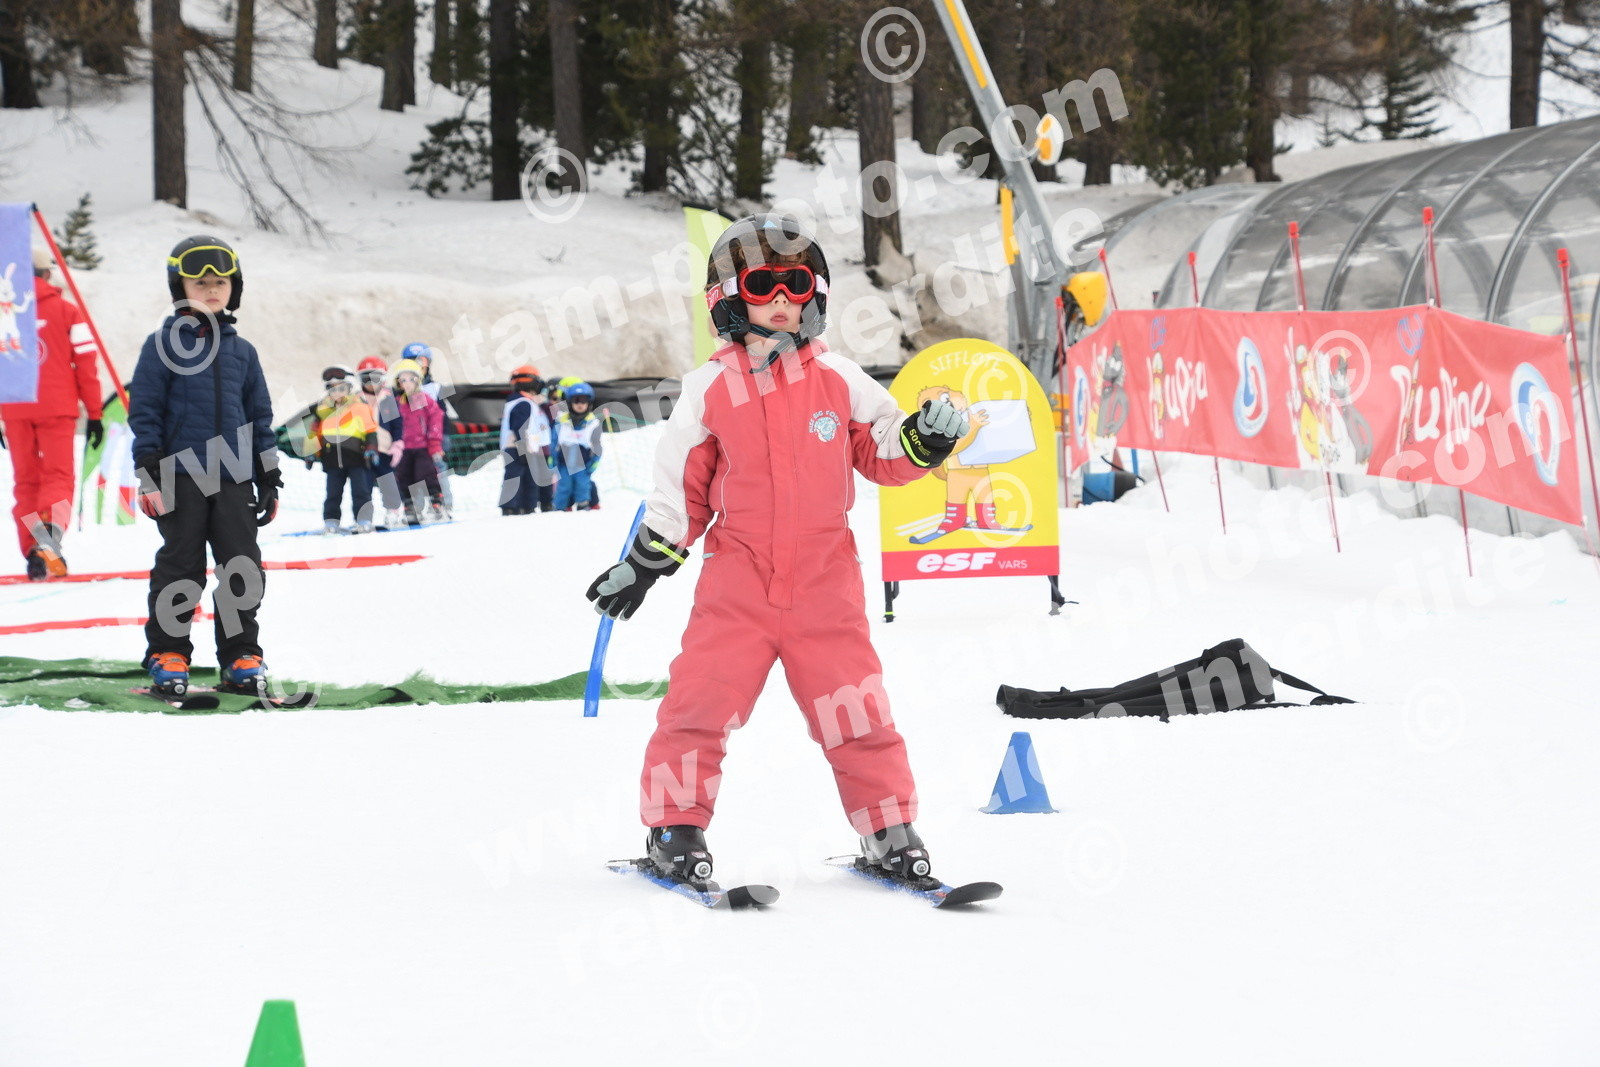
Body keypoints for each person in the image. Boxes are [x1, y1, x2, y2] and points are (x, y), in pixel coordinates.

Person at [584, 214, 969, 886]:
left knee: (856, 710)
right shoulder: (709, 390)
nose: (784, 299)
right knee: (698, 706)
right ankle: (675, 827)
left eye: (797, 284)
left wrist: (922, 441)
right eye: (765, 285)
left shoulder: (840, 379)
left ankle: (888, 828)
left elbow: (881, 449)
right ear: (730, 297)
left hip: (826, 588)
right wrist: (644, 564)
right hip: (739, 587)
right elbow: (682, 490)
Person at [130, 235, 280, 697]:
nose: (212, 290)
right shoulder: (161, 346)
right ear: (180, 287)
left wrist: (268, 475)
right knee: (181, 566)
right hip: (180, 477)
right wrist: (148, 470)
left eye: (221, 282)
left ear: (235, 288)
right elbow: (145, 412)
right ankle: (168, 652)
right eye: (201, 283)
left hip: (233, 478)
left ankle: (240, 655)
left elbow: (259, 417)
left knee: (242, 566)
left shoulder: (243, 352)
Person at [0, 245, 104, 579]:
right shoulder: (67, 311)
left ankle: (36, 549)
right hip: (57, 407)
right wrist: (95, 413)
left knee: (27, 480)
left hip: (14, 407)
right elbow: (86, 365)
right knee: (58, 476)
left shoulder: (4, 313)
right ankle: (50, 535)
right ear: (47, 274)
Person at [308, 365, 378, 533]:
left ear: (350, 388)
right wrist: (311, 452)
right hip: (332, 459)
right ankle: (331, 522)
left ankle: (363, 520)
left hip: (356, 458)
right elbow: (314, 434)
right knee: (333, 494)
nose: (337, 393)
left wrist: (371, 448)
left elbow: (370, 430)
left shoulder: (360, 407)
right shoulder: (323, 411)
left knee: (360, 492)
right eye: (332, 389)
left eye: (341, 388)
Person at [389, 357, 447, 524]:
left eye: (411, 379)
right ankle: (410, 507)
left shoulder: (423, 399)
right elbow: (391, 425)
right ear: (398, 383)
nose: (407, 383)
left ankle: (437, 503)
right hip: (403, 448)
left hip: (422, 446)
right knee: (404, 476)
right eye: (403, 380)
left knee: (426, 474)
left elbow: (435, 419)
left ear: (417, 380)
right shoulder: (396, 403)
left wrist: (434, 443)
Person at [404, 341, 455, 512]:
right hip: (412, 443)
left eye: (421, 362)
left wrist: (443, 439)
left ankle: (443, 505)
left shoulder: (435, 388)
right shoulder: (402, 393)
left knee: (438, 471)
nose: (418, 366)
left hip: (433, 441)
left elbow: (442, 416)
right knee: (414, 474)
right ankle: (416, 508)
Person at [357, 355, 405, 526]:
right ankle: (364, 517)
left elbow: (398, 424)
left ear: (383, 379)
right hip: (363, 451)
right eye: (366, 379)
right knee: (363, 485)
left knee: (388, 483)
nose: (371, 383)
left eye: (375, 378)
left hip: (385, 449)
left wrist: (398, 444)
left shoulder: (389, 399)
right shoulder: (356, 400)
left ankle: (393, 511)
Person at [499, 364, 551, 516]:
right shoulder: (523, 403)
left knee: (527, 477)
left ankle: (527, 506)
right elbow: (520, 427)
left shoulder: (521, 401)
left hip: (523, 447)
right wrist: (523, 448)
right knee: (516, 475)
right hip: (518, 447)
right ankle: (511, 507)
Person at [549, 380, 601, 511]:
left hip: (583, 463)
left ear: (589, 403)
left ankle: (583, 505)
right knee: (564, 485)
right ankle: (560, 507)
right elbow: (554, 441)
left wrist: (594, 462)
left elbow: (597, 446)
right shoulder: (561, 421)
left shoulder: (592, 423)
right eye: (576, 400)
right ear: (570, 402)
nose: (580, 404)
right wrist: (552, 459)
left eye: (583, 401)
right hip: (564, 462)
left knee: (582, 484)